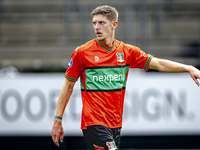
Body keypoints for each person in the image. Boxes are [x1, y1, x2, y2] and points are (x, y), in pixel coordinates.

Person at [51, 5, 200, 150]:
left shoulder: (127, 52)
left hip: (115, 125)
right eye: (94, 23)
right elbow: (68, 87)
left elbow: (158, 64)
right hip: (93, 124)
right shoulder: (82, 53)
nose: (96, 27)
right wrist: (58, 119)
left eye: (101, 23)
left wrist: (187, 68)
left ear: (114, 24)